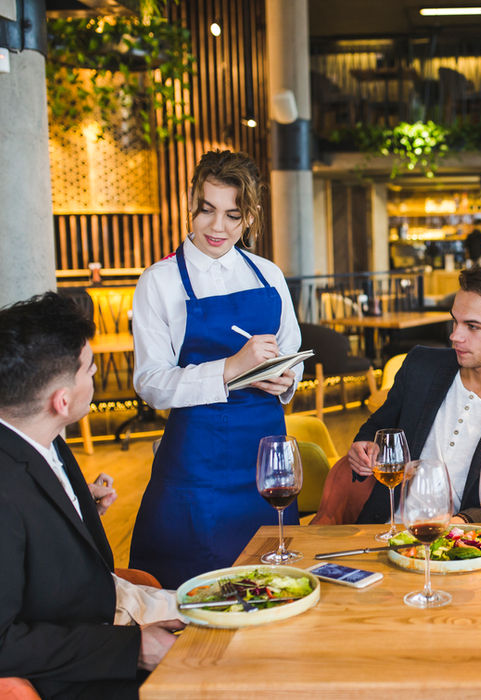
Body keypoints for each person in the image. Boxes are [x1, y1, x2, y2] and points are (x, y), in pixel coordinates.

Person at [129, 150, 303, 589]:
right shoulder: (160, 280)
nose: (217, 227)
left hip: (267, 464)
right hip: (196, 468)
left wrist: (286, 379)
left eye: (232, 214)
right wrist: (229, 367)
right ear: (192, 202)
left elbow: (292, 350)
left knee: (273, 586)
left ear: (249, 217)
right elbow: (150, 383)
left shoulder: (269, 275)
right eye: (207, 210)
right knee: (194, 593)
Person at [0, 292, 184, 699]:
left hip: (106, 613)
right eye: (90, 370)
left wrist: (77, 506)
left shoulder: (38, 435)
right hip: (78, 673)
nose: (94, 378)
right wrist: (134, 649)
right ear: (61, 400)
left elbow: (34, 527)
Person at [318, 265, 481, 524]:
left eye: (472, 326)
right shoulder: (421, 366)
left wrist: (460, 525)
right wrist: (363, 446)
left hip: (462, 547)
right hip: (382, 532)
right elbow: (378, 426)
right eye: (455, 321)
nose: (455, 336)